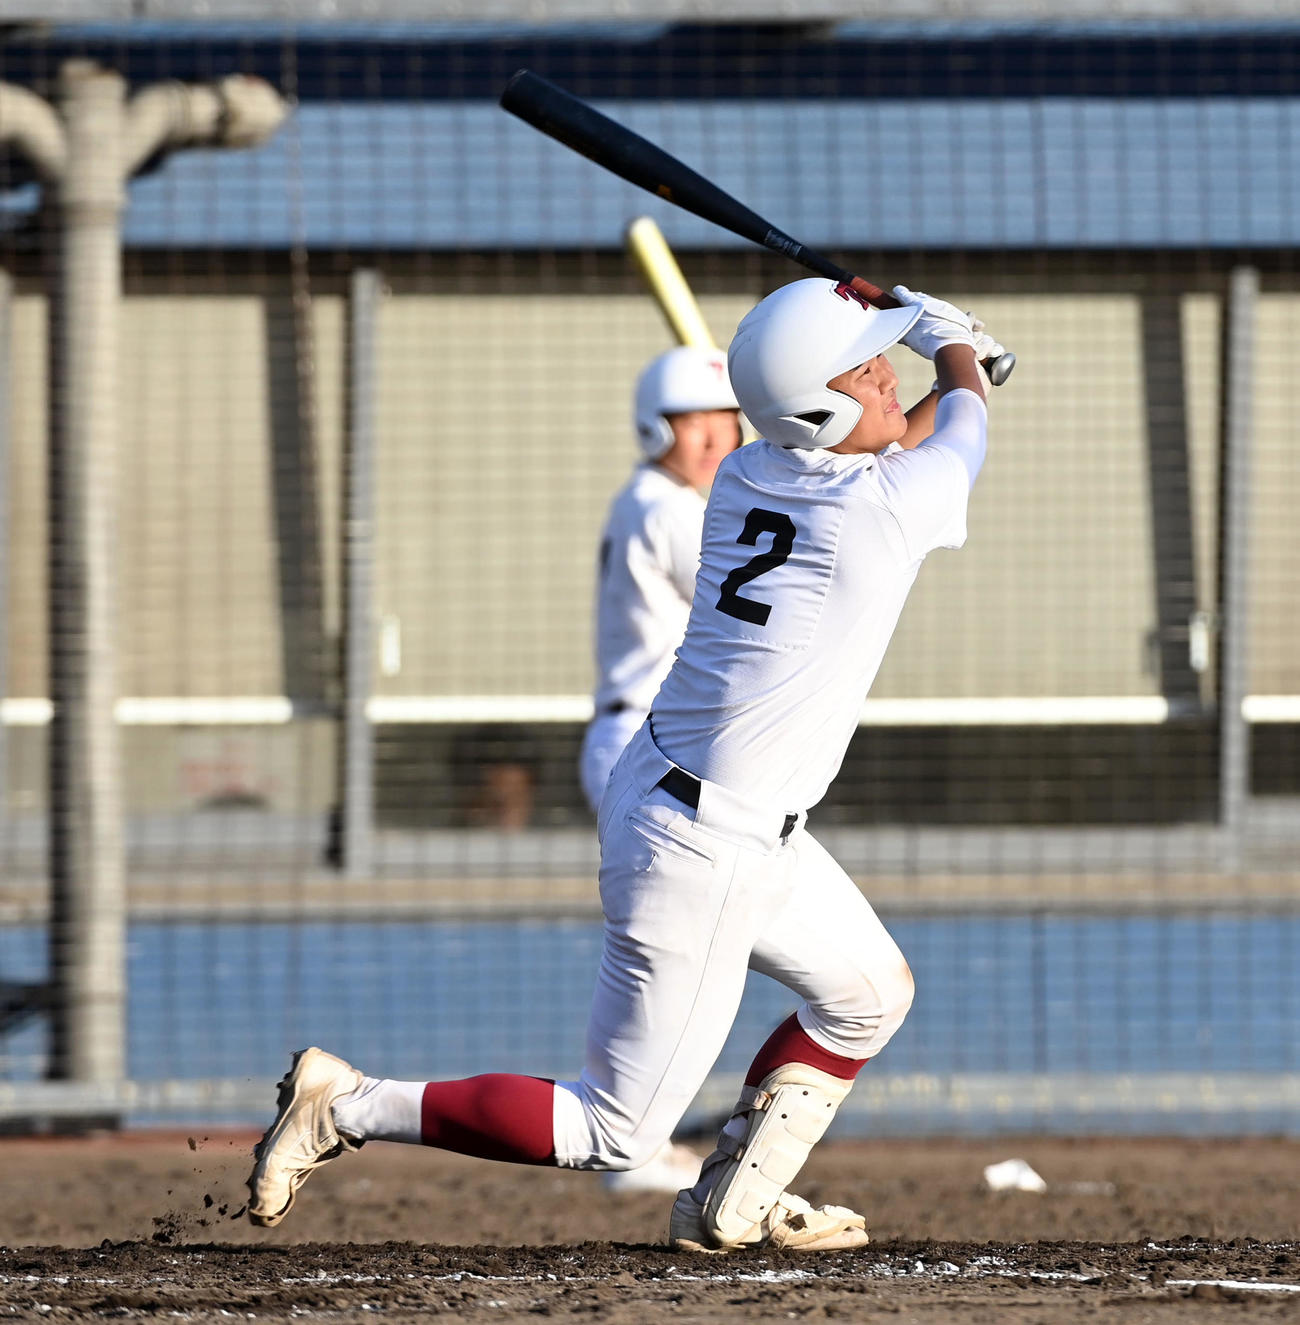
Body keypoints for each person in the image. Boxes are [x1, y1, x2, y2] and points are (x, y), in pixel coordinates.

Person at [246, 279, 1000, 1253]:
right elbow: (953, 432)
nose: (888, 378)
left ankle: (729, 1198)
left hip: (725, 815)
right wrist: (963, 347)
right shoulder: (877, 508)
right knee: (614, 1127)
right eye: (867, 368)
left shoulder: (751, 470)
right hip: (704, 843)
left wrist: (948, 356)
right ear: (819, 407)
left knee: (868, 994)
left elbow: (909, 435)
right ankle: (348, 1104)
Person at [580, 345, 741, 815]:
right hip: (650, 740)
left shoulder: (640, 496)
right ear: (656, 427)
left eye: (725, 420)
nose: (715, 440)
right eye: (694, 423)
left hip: (639, 735)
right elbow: (747, 608)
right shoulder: (671, 508)